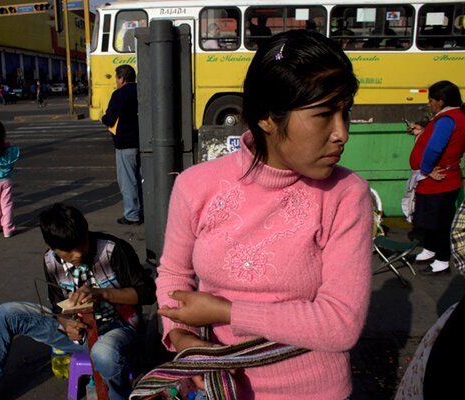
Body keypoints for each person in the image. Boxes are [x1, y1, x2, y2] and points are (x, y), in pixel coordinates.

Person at [156, 30, 372, 399]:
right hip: (216, 386)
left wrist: (226, 312)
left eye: (345, 112)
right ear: (267, 118)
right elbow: (174, 274)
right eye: (324, 114)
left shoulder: (347, 195)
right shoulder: (196, 185)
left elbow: (341, 323)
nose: (341, 133)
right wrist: (181, 338)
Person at [0, 204, 156, 400]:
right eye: (69, 251)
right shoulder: (50, 261)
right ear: (50, 246)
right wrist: (66, 323)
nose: (78, 254)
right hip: (80, 334)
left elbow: (148, 292)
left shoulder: (113, 249)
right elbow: (57, 306)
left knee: (103, 353)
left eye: (82, 244)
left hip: (119, 330)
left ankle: (121, 396)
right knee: (6, 313)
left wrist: (104, 294)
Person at [408, 80, 465, 275]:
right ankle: (429, 249)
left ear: (441, 101)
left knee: (440, 222)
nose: (429, 104)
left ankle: (442, 260)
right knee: (429, 220)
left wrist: (426, 169)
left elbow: (435, 147)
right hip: (437, 181)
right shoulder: (450, 117)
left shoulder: (448, 119)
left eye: (431, 100)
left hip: (439, 181)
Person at [101, 64, 143, 225]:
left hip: (125, 143)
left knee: (128, 181)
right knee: (142, 179)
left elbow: (110, 118)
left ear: (122, 78)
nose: (116, 82)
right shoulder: (141, 90)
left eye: (117, 78)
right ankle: (145, 210)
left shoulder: (119, 95)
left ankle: (131, 214)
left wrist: (103, 120)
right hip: (142, 141)